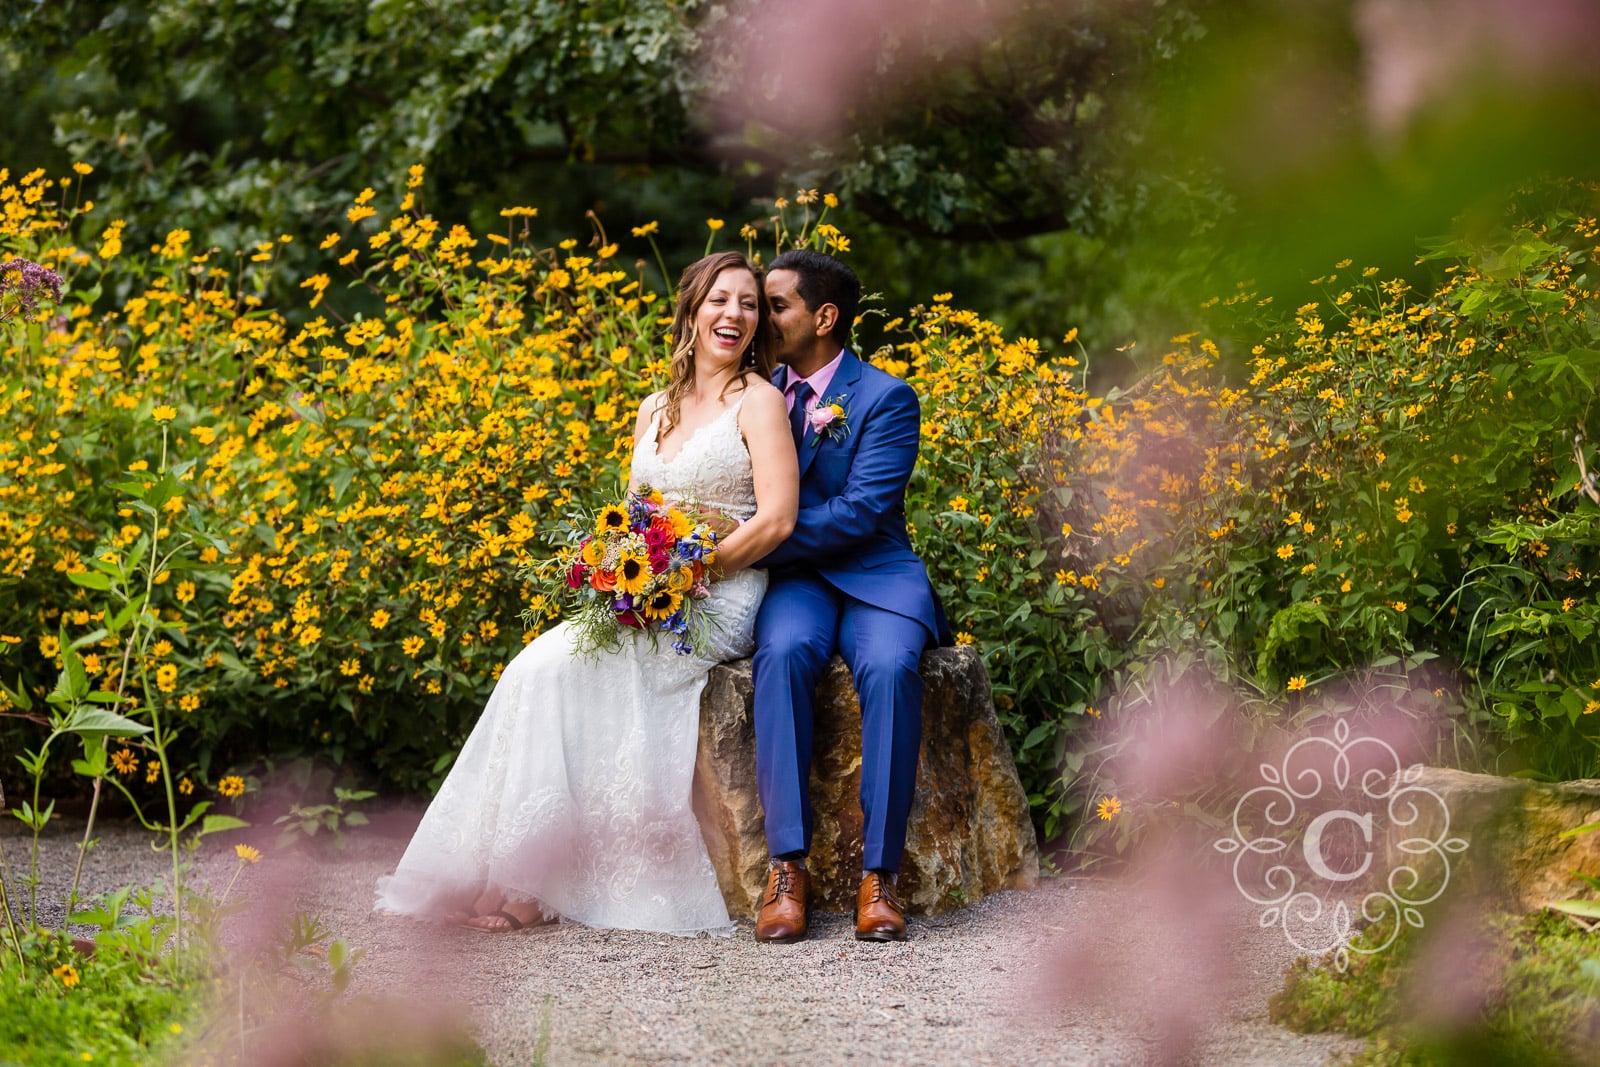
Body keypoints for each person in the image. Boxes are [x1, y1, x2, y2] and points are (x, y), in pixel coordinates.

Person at [376, 251, 797, 936]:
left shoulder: (759, 401)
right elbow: (634, 511)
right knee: (532, 670)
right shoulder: (653, 408)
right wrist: (619, 567)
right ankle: (497, 868)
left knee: (575, 671)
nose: (735, 315)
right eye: (721, 299)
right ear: (692, 309)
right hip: (649, 591)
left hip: (719, 595)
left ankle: (530, 888)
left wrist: (695, 571)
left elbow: (777, 518)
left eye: (749, 304)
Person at [749, 249, 948, 944]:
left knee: (892, 668)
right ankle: (786, 868)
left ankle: (879, 875)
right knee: (781, 651)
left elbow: (863, 511)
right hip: (801, 582)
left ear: (824, 316)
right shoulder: (758, 391)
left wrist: (755, 540)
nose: (761, 317)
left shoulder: (886, 397)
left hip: (875, 572)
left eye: (776, 305)